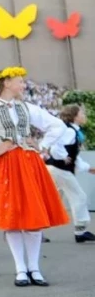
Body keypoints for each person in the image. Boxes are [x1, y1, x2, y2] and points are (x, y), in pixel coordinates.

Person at [0, 66, 70, 287]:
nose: (23, 85)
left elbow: (57, 125)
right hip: (7, 165)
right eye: (20, 81)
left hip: (29, 163)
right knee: (13, 216)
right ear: (7, 83)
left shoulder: (27, 107)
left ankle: (34, 268)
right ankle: (21, 269)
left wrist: (43, 144)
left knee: (32, 217)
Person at [47, 104, 95, 242]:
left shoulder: (70, 130)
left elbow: (73, 155)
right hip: (60, 169)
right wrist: (62, 156)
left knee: (50, 199)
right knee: (79, 197)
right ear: (74, 116)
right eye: (82, 114)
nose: (84, 116)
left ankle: (31, 228)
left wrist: (88, 168)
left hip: (55, 169)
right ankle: (80, 231)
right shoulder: (70, 131)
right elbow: (56, 147)